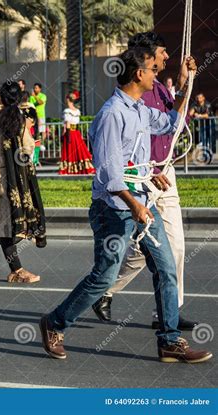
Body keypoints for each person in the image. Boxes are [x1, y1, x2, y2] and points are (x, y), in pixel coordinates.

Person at [39, 48, 213, 364]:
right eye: (152, 70)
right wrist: (134, 204)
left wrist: (188, 84)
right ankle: (54, 323)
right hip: (114, 209)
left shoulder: (140, 110)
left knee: (166, 268)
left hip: (144, 204)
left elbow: (173, 123)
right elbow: (109, 174)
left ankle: (170, 340)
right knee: (104, 278)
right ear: (138, 74)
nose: (155, 74)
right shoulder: (111, 114)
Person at [92, 32, 198, 330]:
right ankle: (99, 294)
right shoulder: (131, 96)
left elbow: (173, 125)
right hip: (145, 176)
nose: (167, 57)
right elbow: (124, 152)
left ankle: (167, 314)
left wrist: (186, 83)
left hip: (165, 173)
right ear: (145, 62)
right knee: (148, 246)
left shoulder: (161, 88)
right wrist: (147, 174)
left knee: (171, 245)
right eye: (162, 53)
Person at [0, 81, 46, 283]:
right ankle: (13, 270)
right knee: (4, 228)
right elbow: (28, 150)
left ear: (1, 98)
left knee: (1, 227)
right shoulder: (20, 121)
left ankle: (14, 269)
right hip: (14, 183)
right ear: (19, 98)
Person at [58, 91, 95, 175]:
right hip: (76, 133)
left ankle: (69, 169)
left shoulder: (67, 111)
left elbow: (67, 124)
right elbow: (77, 124)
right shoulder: (77, 111)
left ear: (68, 99)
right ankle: (81, 168)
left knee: (70, 151)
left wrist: (66, 135)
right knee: (79, 151)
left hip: (70, 132)